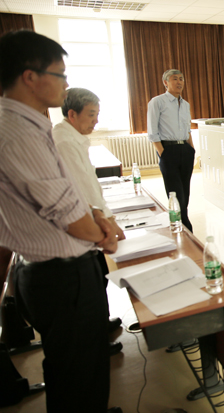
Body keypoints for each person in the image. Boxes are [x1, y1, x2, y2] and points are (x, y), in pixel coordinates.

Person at [0, 30, 121, 412]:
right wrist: (103, 235)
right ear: (30, 77)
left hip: (50, 273)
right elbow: (68, 214)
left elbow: (68, 194)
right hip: (62, 276)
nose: (66, 85)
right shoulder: (20, 134)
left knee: (73, 369)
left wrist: (95, 217)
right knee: (80, 375)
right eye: (60, 74)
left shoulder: (25, 124)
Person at [52, 87, 126, 356]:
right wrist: (108, 221)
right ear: (72, 114)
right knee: (92, 284)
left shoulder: (73, 137)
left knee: (98, 277)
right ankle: (96, 337)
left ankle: (101, 323)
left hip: (91, 217)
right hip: (80, 227)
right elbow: (83, 188)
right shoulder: (64, 142)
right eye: (91, 115)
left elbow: (90, 183)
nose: (96, 121)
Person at [147, 69, 195, 232]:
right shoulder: (157, 102)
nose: (179, 82)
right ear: (166, 83)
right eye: (175, 79)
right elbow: (152, 131)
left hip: (185, 150)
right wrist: (163, 153)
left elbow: (187, 129)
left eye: (181, 79)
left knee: (185, 192)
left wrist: (192, 149)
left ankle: (182, 223)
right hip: (168, 150)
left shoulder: (185, 104)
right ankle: (184, 226)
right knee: (175, 193)